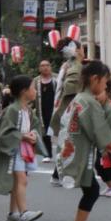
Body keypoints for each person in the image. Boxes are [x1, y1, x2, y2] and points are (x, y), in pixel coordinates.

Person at [56, 60, 111, 221]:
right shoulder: (88, 102)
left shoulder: (81, 98)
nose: (106, 85)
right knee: (92, 191)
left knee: (91, 189)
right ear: (95, 79)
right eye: (105, 81)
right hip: (80, 152)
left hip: (75, 149)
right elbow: (99, 131)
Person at [0, 75, 46, 221]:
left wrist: (33, 135)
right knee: (22, 180)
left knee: (17, 181)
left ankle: (13, 213)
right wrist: (24, 136)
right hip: (14, 150)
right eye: (33, 88)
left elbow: (34, 127)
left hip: (21, 150)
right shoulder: (13, 110)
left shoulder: (27, 109)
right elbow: (5, 133)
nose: (35, 91)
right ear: (24, 91)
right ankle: (23, 213)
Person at [49, 38, 85, 186]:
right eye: (81, 47)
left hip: (68, 109)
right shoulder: (74, 66)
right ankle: (60, 175)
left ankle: (59, 174)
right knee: (71, 142)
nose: (83, 50)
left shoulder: (70, 65)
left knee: (70, 142)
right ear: (74, 50)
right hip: (71, 109)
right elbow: (72, 89)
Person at [34, 59, 58, 161]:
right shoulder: (35, 81)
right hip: (41, 109)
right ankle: (47, 154)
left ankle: (62, 153)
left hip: (55, 108)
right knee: (44, 131)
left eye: (47, 65)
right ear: (39, 68)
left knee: (58, 130)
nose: (45, 67)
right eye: (42, 66)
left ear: (50, 67)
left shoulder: (56, 79)